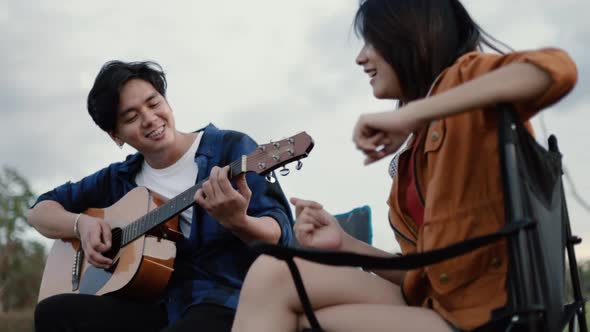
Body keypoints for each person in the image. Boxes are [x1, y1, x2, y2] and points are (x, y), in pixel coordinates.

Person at [231, 0, 578, 331]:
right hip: (438, 306)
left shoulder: (463, 80)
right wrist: (344, 245)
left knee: (282, 291)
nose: (360, 58)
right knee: (275, 274)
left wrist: (410, 114)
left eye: (371, 41)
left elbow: (557, 70)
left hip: (482, 318)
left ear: (408, 35)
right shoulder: (415, 151)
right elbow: (423, 276)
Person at [28, 60, 294, 332]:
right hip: (152, 304)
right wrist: (81, 225)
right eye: (131, 117)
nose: (150, 119)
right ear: (116, 135)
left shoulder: (231, 148)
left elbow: (282, 232)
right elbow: (38, 211)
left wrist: (240, 222)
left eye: (154, 104)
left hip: (223, 300)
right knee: (53, 313)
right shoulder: (120, 178)